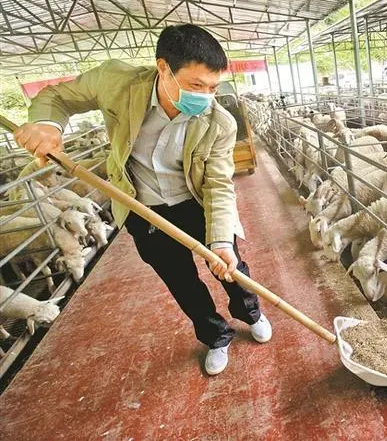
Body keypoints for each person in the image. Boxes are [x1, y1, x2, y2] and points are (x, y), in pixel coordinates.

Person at [14, 24, 272, 376]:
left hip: (195, 203)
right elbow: (57, 98)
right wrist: (48, 125)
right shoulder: (115, 82)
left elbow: (218, 185)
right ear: (163, 67)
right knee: (181, 280)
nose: (206, 96)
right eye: (197, 86)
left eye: (213, 87)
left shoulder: (219, 123)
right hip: (142, 209)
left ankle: (250, 313)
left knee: (231, 269)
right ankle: (216, 336)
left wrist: (222, 241)